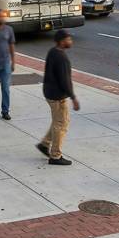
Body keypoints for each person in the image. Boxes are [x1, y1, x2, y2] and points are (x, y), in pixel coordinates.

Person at [38, 29, 80, 166]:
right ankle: (55, 156)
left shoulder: (52, 51)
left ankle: (45, 144)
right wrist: (73, 98)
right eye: (69, 39)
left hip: (50, 92)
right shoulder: (61, 58)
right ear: (62, 41)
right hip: (57, 96)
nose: (71, 41)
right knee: (61, 124)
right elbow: (65, 81)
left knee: (59, 121)